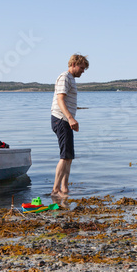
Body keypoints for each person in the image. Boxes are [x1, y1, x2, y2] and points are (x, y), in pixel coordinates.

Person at [50, 54, 89, 197]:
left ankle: (64, 188)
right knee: (65, 156)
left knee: (69, 156)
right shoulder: (65, 77)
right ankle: (55, 190)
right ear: (73, 64)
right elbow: (60, 100)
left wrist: (71, 118)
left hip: (65, 120)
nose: (83, 71)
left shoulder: (71, 78)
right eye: (81, 68)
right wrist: (70, 118)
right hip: (61, 119)